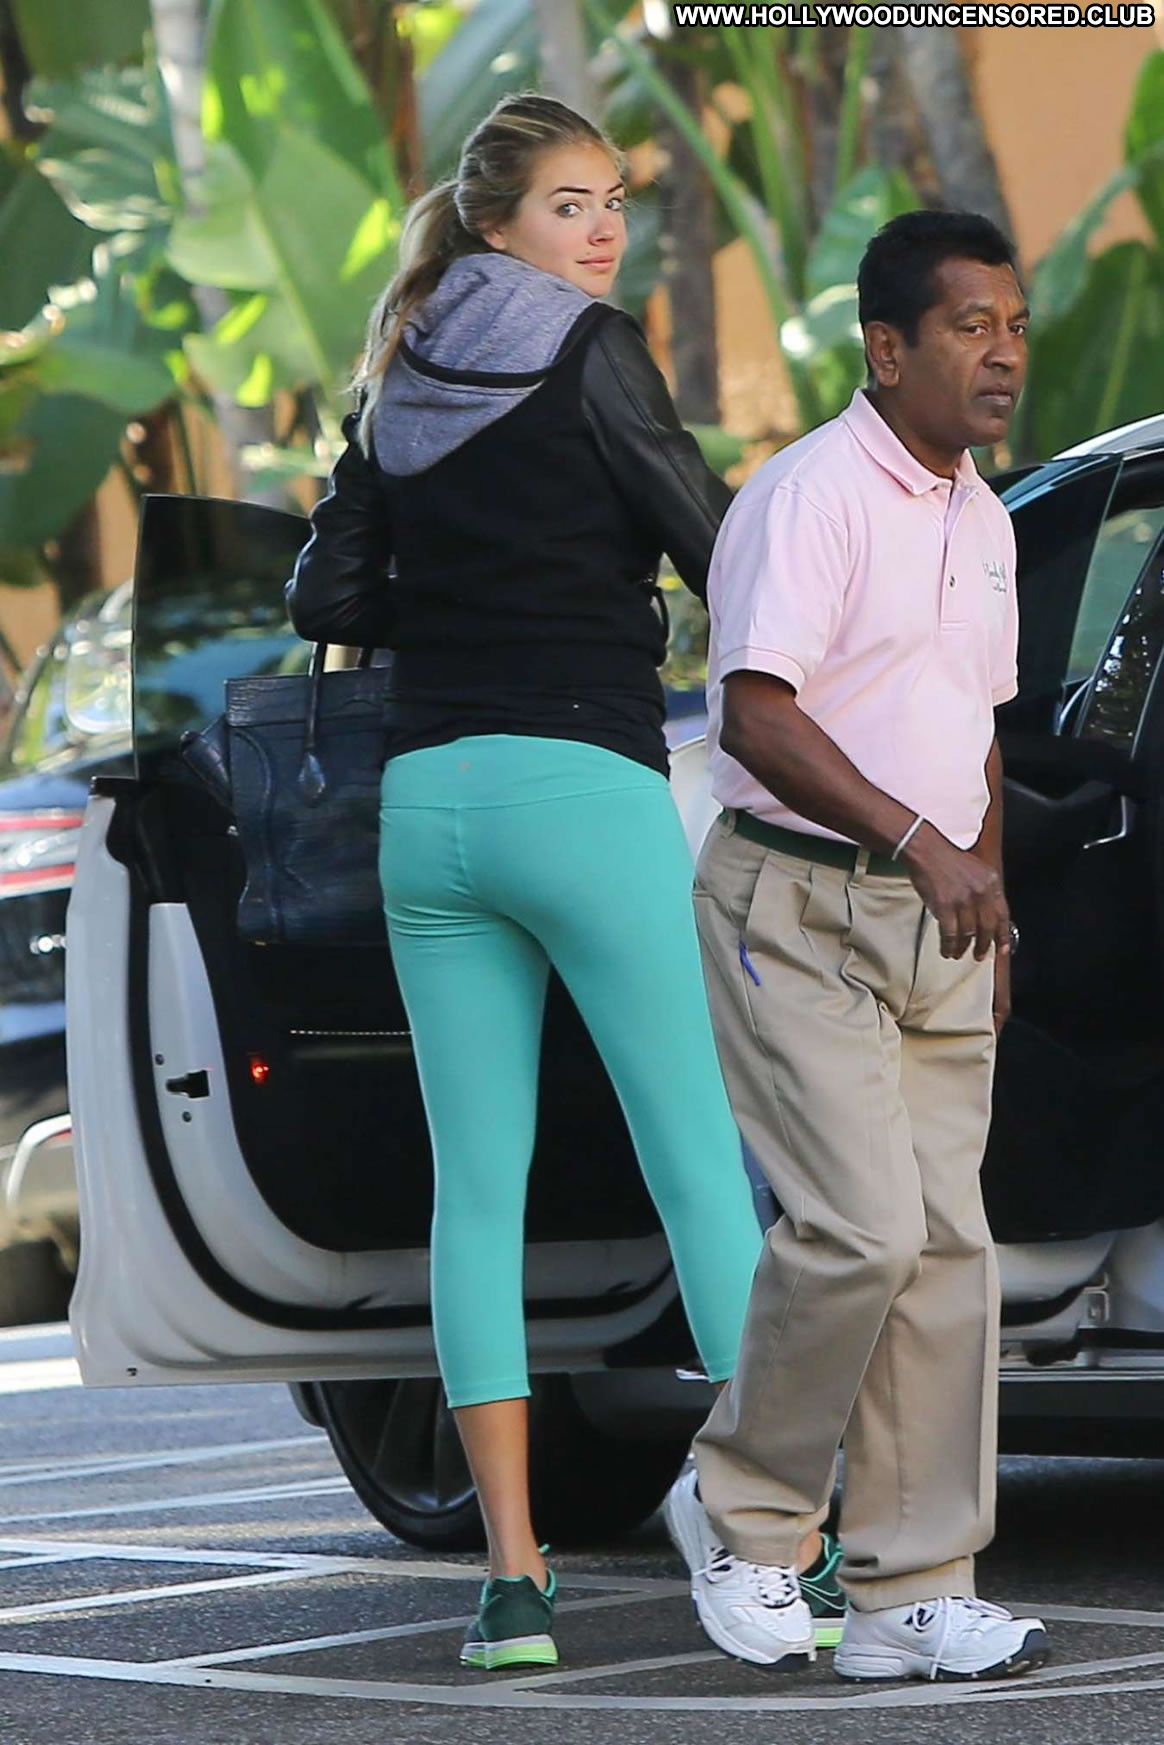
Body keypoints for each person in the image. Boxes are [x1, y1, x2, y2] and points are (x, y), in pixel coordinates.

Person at [286, 92, 767, 1674]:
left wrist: (457, 596)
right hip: (581, 786)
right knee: (695, 1164)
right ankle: (783, 1539)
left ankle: (510, 1581)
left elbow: (326, 588)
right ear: (499, 221)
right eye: (571, 203)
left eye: (612, 198)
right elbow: (719, 547)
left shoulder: (403, 368)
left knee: (475, 1195)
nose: (604, 228)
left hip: (431, 809)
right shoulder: (592, 350)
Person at [664, 210, 1054, 1683]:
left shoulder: (984, 516)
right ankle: (739, 1513)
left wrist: (985, 891)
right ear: (887, 349)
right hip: (796, 901)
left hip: (938, 918)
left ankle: (910, 1593)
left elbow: (978, 730)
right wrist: (923, 846)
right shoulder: (811, 494)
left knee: (949, 1254)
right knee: (862, 1231)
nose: (1003, 353)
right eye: (970, 327)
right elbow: (755, 714)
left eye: (1014, 326)